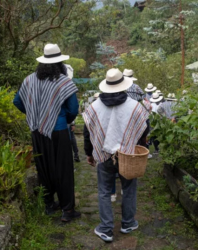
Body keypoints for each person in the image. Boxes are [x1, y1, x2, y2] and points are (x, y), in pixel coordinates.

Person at [13, 44, 81, 222]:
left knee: (44, 168)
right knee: (63, 169)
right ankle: (67, 210)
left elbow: (17, 101)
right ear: (60, 63)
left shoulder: (29, 80)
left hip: (37, 131)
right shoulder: (64, 82)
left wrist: (33, 115)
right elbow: (73, 109)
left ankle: (49, 204)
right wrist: (64, 118)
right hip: (58, 131)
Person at [83, 68, 149, 242]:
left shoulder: (93, 107)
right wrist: (137, 145)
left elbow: (87, 131)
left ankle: (106, 229)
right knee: (129, 188)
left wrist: (89, 153)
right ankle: (127, 223)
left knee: (104, 191)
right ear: (123, 86)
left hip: (104, 155)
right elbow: (144, 128)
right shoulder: (135, 106)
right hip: (128, 155)